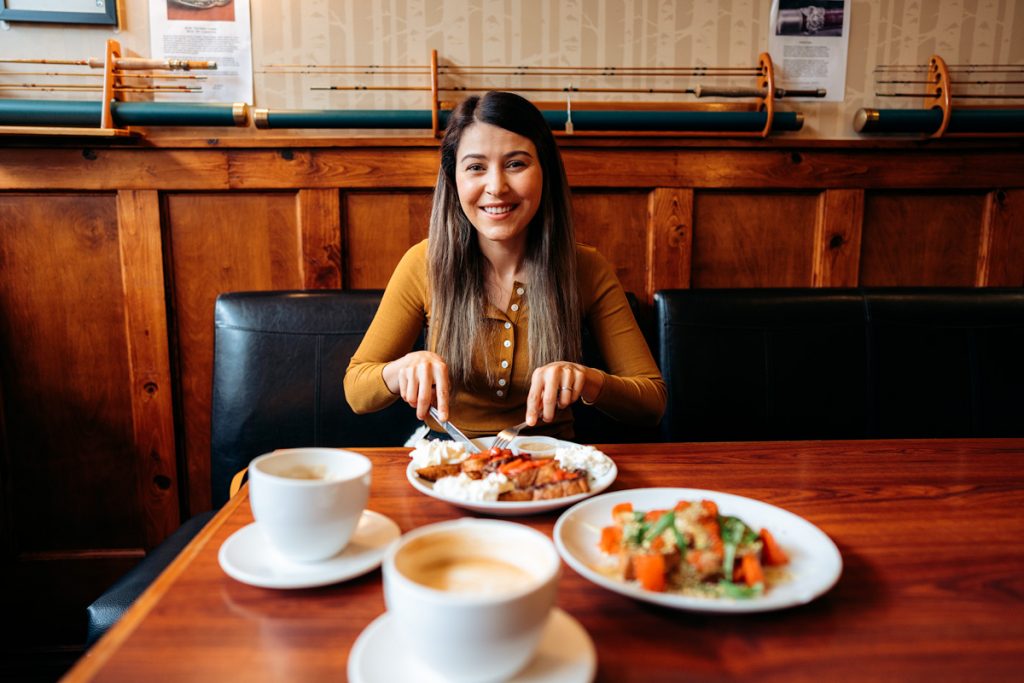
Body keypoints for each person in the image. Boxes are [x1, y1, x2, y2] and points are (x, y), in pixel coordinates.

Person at [344, 91, 665, 439]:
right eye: (476, 167)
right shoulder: (422, 263)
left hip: (551, 465)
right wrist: (400, 370)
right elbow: (357, 393)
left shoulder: (586, 267)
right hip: (449, 461)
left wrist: (588, 379)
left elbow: (652, 403)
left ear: (545, 171)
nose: (496, 187)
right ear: (454, 180)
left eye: (516, 164)